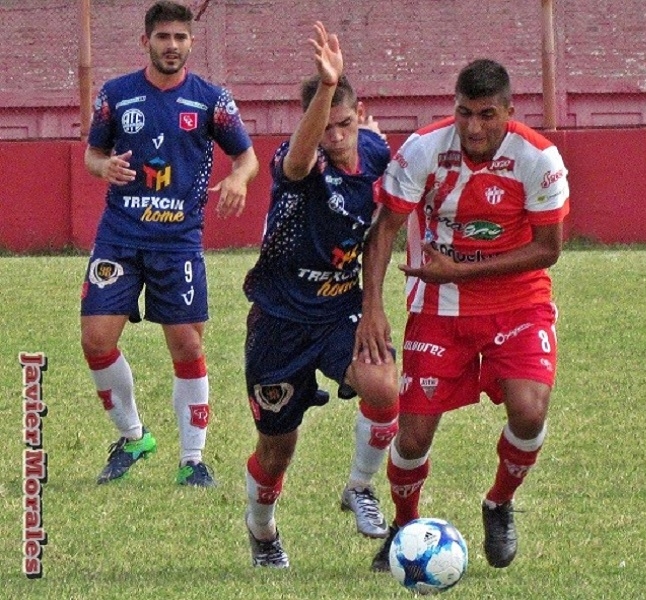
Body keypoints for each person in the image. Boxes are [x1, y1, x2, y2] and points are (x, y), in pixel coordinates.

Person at [356, 58, 570, 571]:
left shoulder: (539, 158)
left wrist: (461, 271)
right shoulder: (424, 149)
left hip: (517, 303)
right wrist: (372, 307)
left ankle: (499, 503)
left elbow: (548, 249)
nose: (473, 128)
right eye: (464, 113)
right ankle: (405, 527)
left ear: (509, 111)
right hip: (438, 305)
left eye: (486, 115)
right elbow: (384, 230)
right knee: (413, 437)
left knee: (530, 411)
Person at [241, 22, 399, 568]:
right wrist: (327, 88)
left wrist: (374, 302)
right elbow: (300, 160)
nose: (336, 136)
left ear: (360, 117)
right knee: (276, 451)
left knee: (383, 386)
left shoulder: (376, 152)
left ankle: (359, 486)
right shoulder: (300, 160)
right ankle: (262, 531)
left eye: (345, 124)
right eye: (326, 125)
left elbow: (387, 222)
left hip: (338, 311)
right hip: (279, 321)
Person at [81, 1, 258, 487]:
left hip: (178, 242)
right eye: (163, 37)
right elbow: (92, 155)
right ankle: (133, 437)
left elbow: (246, 158)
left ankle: (192, 460)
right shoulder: (117, 95)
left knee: (186, 344)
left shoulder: (211, 100)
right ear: (146, 42)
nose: (172, 46)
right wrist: (104, 167)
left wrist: (238, 179)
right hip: (119, 238)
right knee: (96, 340)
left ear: (191, 43)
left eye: (180, 37)